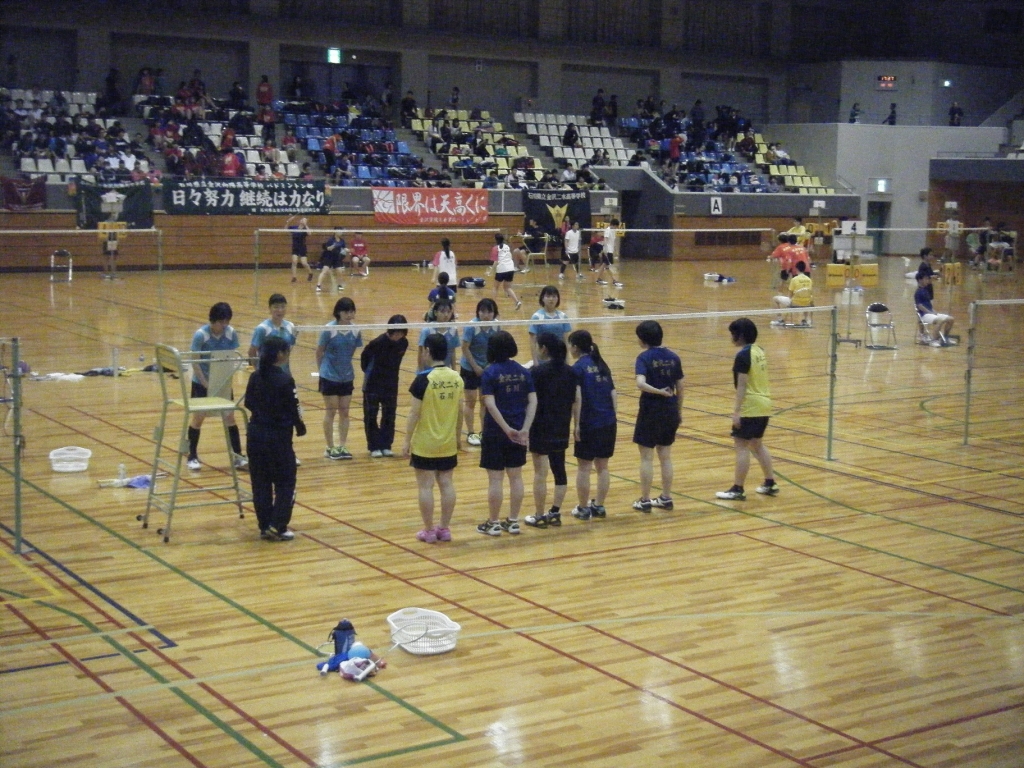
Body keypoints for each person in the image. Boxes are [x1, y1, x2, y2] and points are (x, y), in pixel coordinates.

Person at [244, 336, 307, 541]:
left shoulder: (255, 377)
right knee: (286, 481)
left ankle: (264, 525)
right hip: (278, 437)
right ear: (280, 354)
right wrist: (299, 426)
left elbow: (248, 403)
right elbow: (293, 408)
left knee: (260, 482)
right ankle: (278, 524)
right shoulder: (285, 380)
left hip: (255, 435)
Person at [404, 332, 464, 543]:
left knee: (425, 486)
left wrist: (406, 440)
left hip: (425, 444)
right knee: (446, 483)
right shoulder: (457, 378)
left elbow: (414, 413)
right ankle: (444, 529)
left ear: (427, 351)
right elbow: (460, 411)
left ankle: (429, 531)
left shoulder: (423, 380)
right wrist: (458, 437)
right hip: (447, 443)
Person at [477, 331, 536, 536]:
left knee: (495, 479)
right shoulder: (523, 371)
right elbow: (533, 401)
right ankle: (512, 521)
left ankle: (493, 523)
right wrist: (525, 428)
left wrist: (505, 429)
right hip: (519, 432)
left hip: (495, 432)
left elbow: (490, 404)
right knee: (516, 477)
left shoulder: (489, 373)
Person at [716, 318, 778, 501]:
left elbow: (742, 386)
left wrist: (737, 411)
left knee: (741, 446)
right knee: (757, 444)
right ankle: (770, 483)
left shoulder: (743, 356)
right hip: (764, 404)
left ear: (740, 335)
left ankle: (738, 489)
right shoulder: (760, 351)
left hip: (750, 406)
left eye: (733, 334)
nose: (731, 337)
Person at [523, 333, 577, 529]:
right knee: (559, 469)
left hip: (540, 427)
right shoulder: (571, 372)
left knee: (540, 473)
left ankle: (539, 515)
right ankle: (555, 512)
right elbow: (574, 400)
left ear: (544, 349)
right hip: (562, 425)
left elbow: (529, 399)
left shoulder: (537, 372)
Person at [186, 302, 246, 472]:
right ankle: (192, 456)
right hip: (202, 382)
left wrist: (226, 379)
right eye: (221, 322)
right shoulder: (201, 335)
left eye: (227, 321)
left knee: (230, 418)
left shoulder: (231, 333)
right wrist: (206, 384)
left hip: (222, 382)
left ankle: (238, 456)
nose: (224, 325)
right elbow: (195, 362)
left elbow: (232, 357)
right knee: (198, 419)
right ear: (213, 320)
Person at [631, 321, 684, 512]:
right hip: (670, 410)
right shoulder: (673, 357)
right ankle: (666, 498)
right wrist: (678, 411)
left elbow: (640, 384)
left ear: (642, 339)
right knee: (665, 456)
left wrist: (658, 392)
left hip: (650, 410)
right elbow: (680, 387)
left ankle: (645, 500)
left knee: (646, 457)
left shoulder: (644, 358)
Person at [567, 330, 616, 520]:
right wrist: (612, 417)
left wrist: (576, 425)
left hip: (589, 422)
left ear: (575, 347)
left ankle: (583, 508)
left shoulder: (578, 368)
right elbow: (613, 394)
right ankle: (599, 506)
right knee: (603, 467)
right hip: (608, 422)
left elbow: (577, 398)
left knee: (584, 467)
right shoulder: (602, 364)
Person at [317, 297, 362, 460]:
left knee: (345, 411)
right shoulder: (329, 329)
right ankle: (330, 447)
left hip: (347, 376)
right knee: (331, 411)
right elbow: (319, 351)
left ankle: (342, 445)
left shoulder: (356, 331)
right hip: (329, 376)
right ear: (338, 312)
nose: (349, 315)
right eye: (346, 311)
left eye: (352, 311)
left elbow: (351, 352)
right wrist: (322, 371)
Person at [361, 315, 409, 458]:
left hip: (391, 384)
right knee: (371, 415)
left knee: (389, 415)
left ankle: (386, 445)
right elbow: (364, 360)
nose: (398, 336)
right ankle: (374, 446)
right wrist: (372, 374)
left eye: (401, 333)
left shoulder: (403, 343)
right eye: (396, 333)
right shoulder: (377, 343)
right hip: (373, 384)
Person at [460, 298, 500, 448]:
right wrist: (475, 367)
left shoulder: (497, 326)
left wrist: (489, 365)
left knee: (485, 402)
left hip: (487, 368)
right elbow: (465, 348)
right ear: (478, 312)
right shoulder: (472, 326)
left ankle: (484, 432)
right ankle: (471, 433)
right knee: (470, 401)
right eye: (482, 311)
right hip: (470, 368)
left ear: (494, 313)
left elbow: (496, 347)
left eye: (489, 312)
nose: (486, 315)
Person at [249, 293, 298, 376]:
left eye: (283, 306)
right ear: (269, 309)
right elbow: (252, 352)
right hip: (266, 374)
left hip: (284, 373)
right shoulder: (262, 329)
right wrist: (258, 370)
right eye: (276, 307)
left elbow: (288, 351)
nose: (280, 310)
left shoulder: (290, 326)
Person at [528, 285, 572, 366]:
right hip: (543, 360)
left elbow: (566, 340)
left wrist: (567, 359)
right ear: (542, 298)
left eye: (554, 296)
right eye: (548, 296)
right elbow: (532, 342)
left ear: (558, 299)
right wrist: (535, 361)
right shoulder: (537, 317)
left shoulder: (563, 316)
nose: (551, 299)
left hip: (559, 359)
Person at [914, 273, 955, 346]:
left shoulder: (926, 291)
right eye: (925, 279)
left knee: (951, 319)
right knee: (940, 320)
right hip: (924, 315)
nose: (927, 280)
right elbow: (919, 306)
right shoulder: (918, 292)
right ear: (920, 280)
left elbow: (929, 305)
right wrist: (930, 312)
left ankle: (945, 338)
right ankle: (934, 340)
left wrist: (934, 311)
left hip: (931, 313)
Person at [419, 298, 459, 367]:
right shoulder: (427, 330)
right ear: (435, 312)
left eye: (449, 312)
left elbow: (452, 352)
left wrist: (454, 369)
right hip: (428, 370)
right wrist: (421, 370)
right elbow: (421, 352)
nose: (446, 315)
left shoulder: (453, 330)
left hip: (445, 370)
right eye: (442, 311)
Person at [771, 260, 813, 326]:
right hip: (807, 303)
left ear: (796, 269)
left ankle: (780, 320)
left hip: (795, 303)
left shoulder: (794, 279)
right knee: (806, 298)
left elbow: (790, 296)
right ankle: (805, 320)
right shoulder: (809, 280)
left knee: (775, 299)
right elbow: (809, 293)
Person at [491, 233, 522, 310]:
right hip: (510, 268)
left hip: (501, 269)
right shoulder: (507, 246)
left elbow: (496, 262)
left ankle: (493, 306)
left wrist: (491, 271)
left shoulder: (495, 248)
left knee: (495, 287)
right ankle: (517, 302)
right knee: (507, 288)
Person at [595, 217, 624, 288]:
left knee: (604, 265)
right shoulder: (608, 230)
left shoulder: (613, 231)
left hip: (610, 250)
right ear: (613, 225)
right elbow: (605, 240)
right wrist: (604, 250)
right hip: (607, 251)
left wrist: (615, 250)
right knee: (607, 266)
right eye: (616, 226)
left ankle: (598, 279)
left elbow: (613, 242)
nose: (616, 228)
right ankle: (614, 280)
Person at [316, 228, 347, 293]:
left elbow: (344, 248)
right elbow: (328, 248)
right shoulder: (331, 240)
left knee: (339, 272)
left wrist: (347, 250)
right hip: (329, 257)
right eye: (340, 231)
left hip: (337, 257)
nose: (341, 233)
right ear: (335, 232)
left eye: (342, 231)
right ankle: (318, 285)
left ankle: (339, 285)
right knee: (324, 271)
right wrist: (333, 246)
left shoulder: (342, 241)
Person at [286, 215, 314, 283]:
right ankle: (294, 277)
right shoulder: (294, 228)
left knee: (304, 263)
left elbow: (310, 233)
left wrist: (306, 225)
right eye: (302, 219)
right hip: (295, 247)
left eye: (305, 220)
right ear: (299, 221)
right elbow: (286, 229)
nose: (303, 221)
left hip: (302, 247)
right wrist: (288, 221)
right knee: (294, 261)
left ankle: (310, 273)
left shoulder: (305, 229)